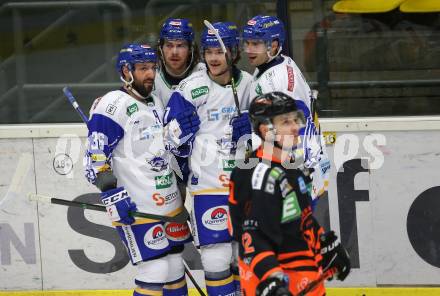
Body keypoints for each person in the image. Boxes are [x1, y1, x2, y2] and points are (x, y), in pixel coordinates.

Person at [84, 43, 200, 296]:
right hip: (137, 206)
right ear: (126, 71)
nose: (150, 74)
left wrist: (180, 134)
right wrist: (112, 195)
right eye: (143, 68)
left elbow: (159, 150)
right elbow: (95, 157)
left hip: (167, 203)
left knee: (173, 267)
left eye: (153, 68)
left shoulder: (156, 101)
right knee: (154, 270)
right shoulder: (112, 105)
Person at [228, 92, 351, 296]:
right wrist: (272, 278)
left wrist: (324, 244)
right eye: (286, 122)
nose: (295, 127)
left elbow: (299, 217)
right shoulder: (256, 174)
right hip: (277, 281)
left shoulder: (293, 166)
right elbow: (251, 236)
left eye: (295, 119)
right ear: (266, 130)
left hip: (306, 276)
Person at [164, 22, 252, 296]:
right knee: (216, 256)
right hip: (208, 184)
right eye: (209, 51)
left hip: (245, 183)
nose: (214, 58)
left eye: (220, 52)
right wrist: (179, 134)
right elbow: (167, 139)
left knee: (245, 255)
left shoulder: (250, 85)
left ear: (234, 52)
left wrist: (255, 130)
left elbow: (275, 130)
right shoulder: (191, 88)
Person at [241, 15, 331, 204]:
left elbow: (299, 123)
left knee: (291, 231)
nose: (248, 49)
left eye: (255, 44)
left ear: (273, 45)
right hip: (291, 168)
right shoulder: (274, 64)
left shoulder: (278, 79)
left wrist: (299, 170)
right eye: (247, 43)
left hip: (295, 172)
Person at [154, 17, 205, 107]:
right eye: (169, 45)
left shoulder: (203, 72)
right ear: (160, 48)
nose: (174, 52)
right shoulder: (151, 77)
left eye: (181, 46)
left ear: (191, 49)